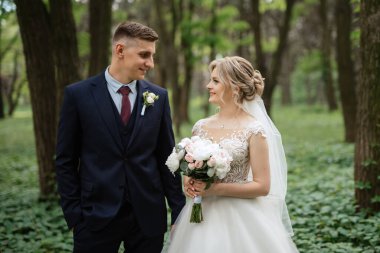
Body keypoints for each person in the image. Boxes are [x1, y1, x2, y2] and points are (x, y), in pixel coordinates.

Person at [55, 21, 185, 253]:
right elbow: (65, 160)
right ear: (120, 50)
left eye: (152, 56)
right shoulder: (78, 95)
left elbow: (167, 158)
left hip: (147, 217)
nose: (151, 64)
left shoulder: (159, 97)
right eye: (144, 55)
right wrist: (75, 216)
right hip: (95, 218)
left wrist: (178, 212)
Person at [166, 56, 299, 252]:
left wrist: (214, 189)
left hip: (242, 218)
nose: (208, 85)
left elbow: (262, 186)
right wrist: (190, 183)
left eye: (216, 81)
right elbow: (191, 170)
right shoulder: (200, 127)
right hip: (201, 216)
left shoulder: (254, 129)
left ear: (235, 87)